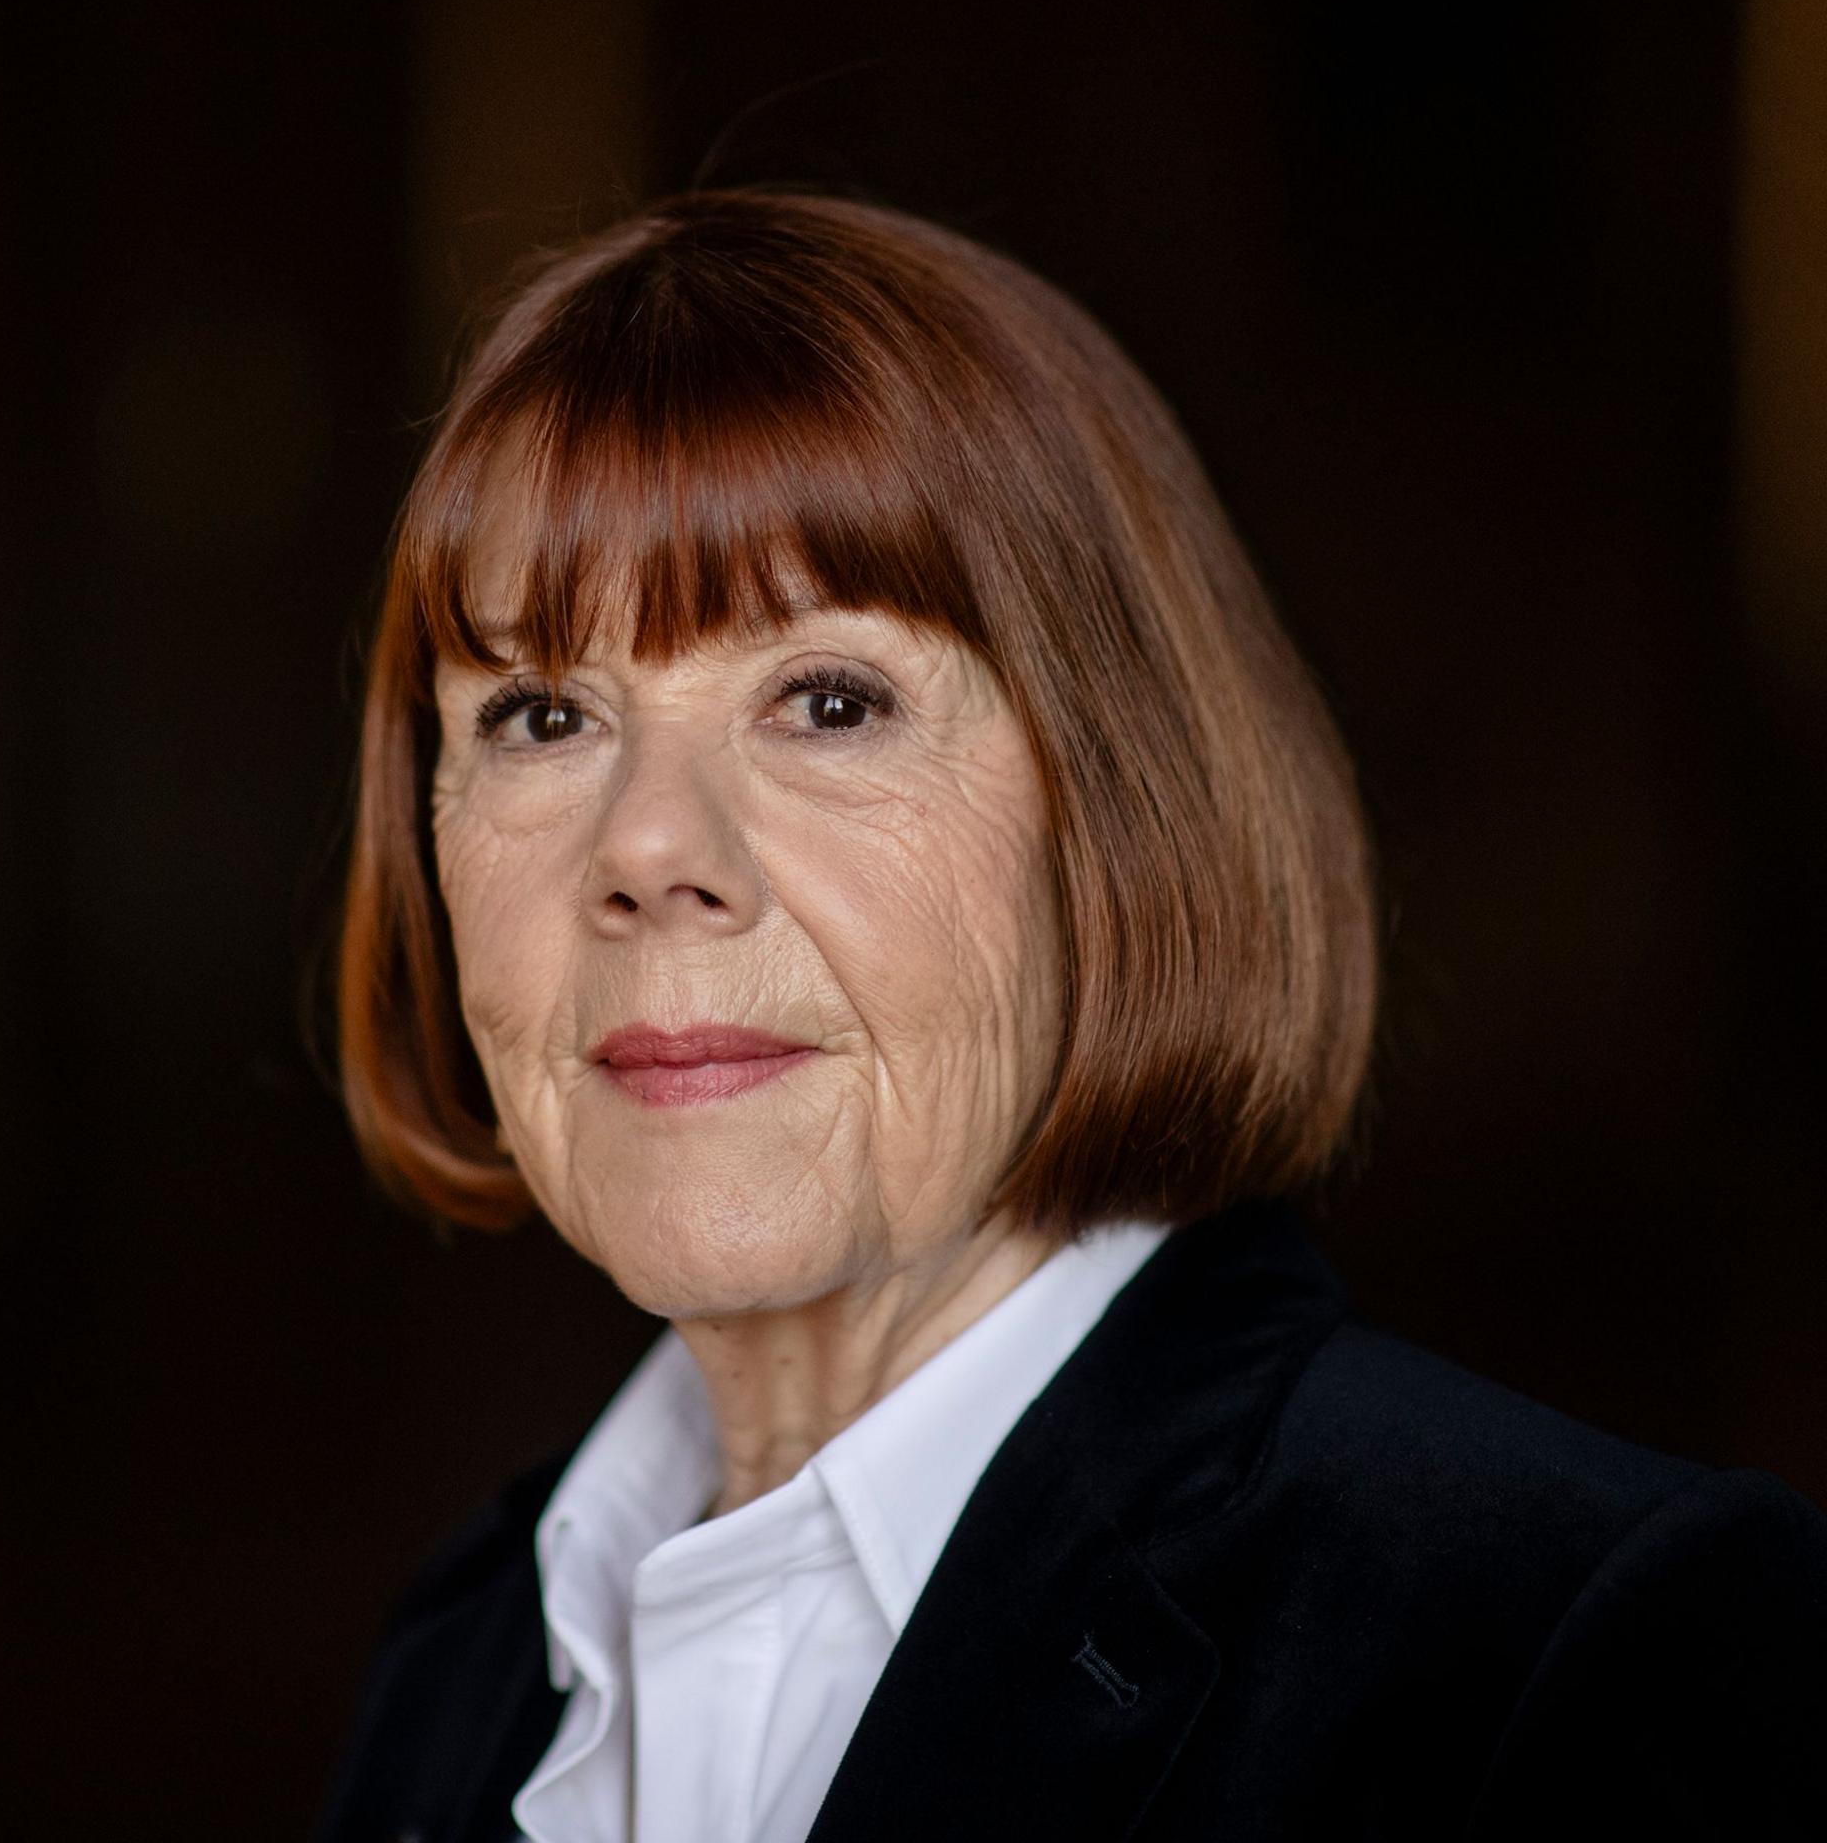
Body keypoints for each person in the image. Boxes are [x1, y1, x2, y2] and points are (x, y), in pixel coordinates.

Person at [316, 187, 1827, 1842]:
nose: (649, 850)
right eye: (542, 715)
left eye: (830, 700)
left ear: (1118, 811)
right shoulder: (460, 1673)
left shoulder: (1563, 1651)